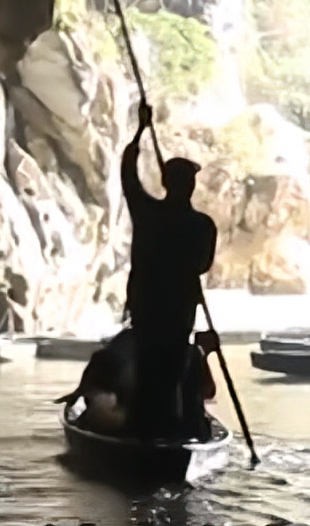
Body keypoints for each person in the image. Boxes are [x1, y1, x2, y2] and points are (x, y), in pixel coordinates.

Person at [121, 101, 217, 439]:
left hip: (147, 308)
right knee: (172, 371)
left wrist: (139, 132)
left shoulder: (147, 213)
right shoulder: (202, 225)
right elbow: (203, 265)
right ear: (190, 185)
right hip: (177, 312)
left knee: (149, 371)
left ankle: (143, 433)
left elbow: (128, 177)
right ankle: (172, 431)